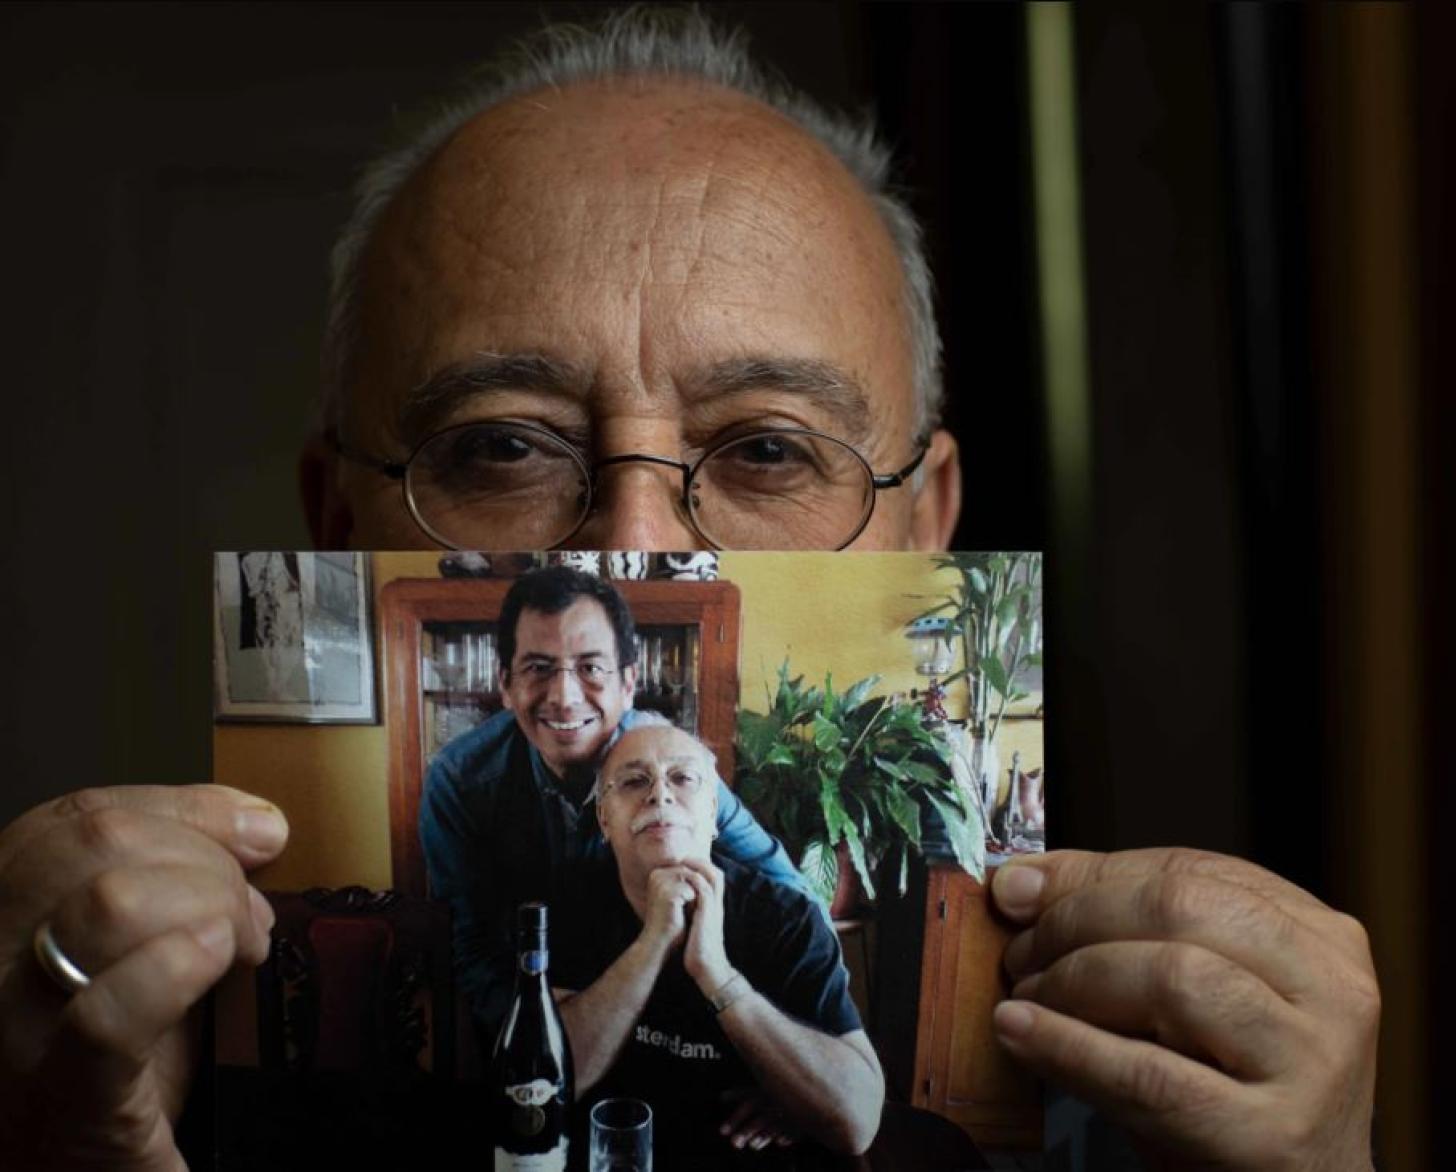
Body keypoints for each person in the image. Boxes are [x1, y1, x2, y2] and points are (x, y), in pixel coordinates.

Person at [0, 9, 1378, 1172]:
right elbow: (507, 1083)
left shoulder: (1074, 1061)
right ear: (332, 520)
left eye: (772, 449)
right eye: (500, 445)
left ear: (928, 524)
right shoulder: (188, 1032)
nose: (641, 532)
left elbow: (847, 1108)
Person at [419, 565, 807, 1054]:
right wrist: (538, 1050)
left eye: (591, 667)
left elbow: (790, 896)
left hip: (677, 1029)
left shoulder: (674, 765)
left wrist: (781, 1066)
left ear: (628, 683)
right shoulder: (460, 781)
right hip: (538, 1010)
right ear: (505, 684)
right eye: (538, 667)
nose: (564, 696)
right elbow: (472, 950)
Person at [551, 720, 883, 1163]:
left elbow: (857, 1121)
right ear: (604, 818)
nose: (660, 795)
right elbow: (548, 1084)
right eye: (634, 781)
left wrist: (716, 974)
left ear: (712, 812)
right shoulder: (570, 906)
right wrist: (653, 942)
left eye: (683, 778)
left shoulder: (785, 918)